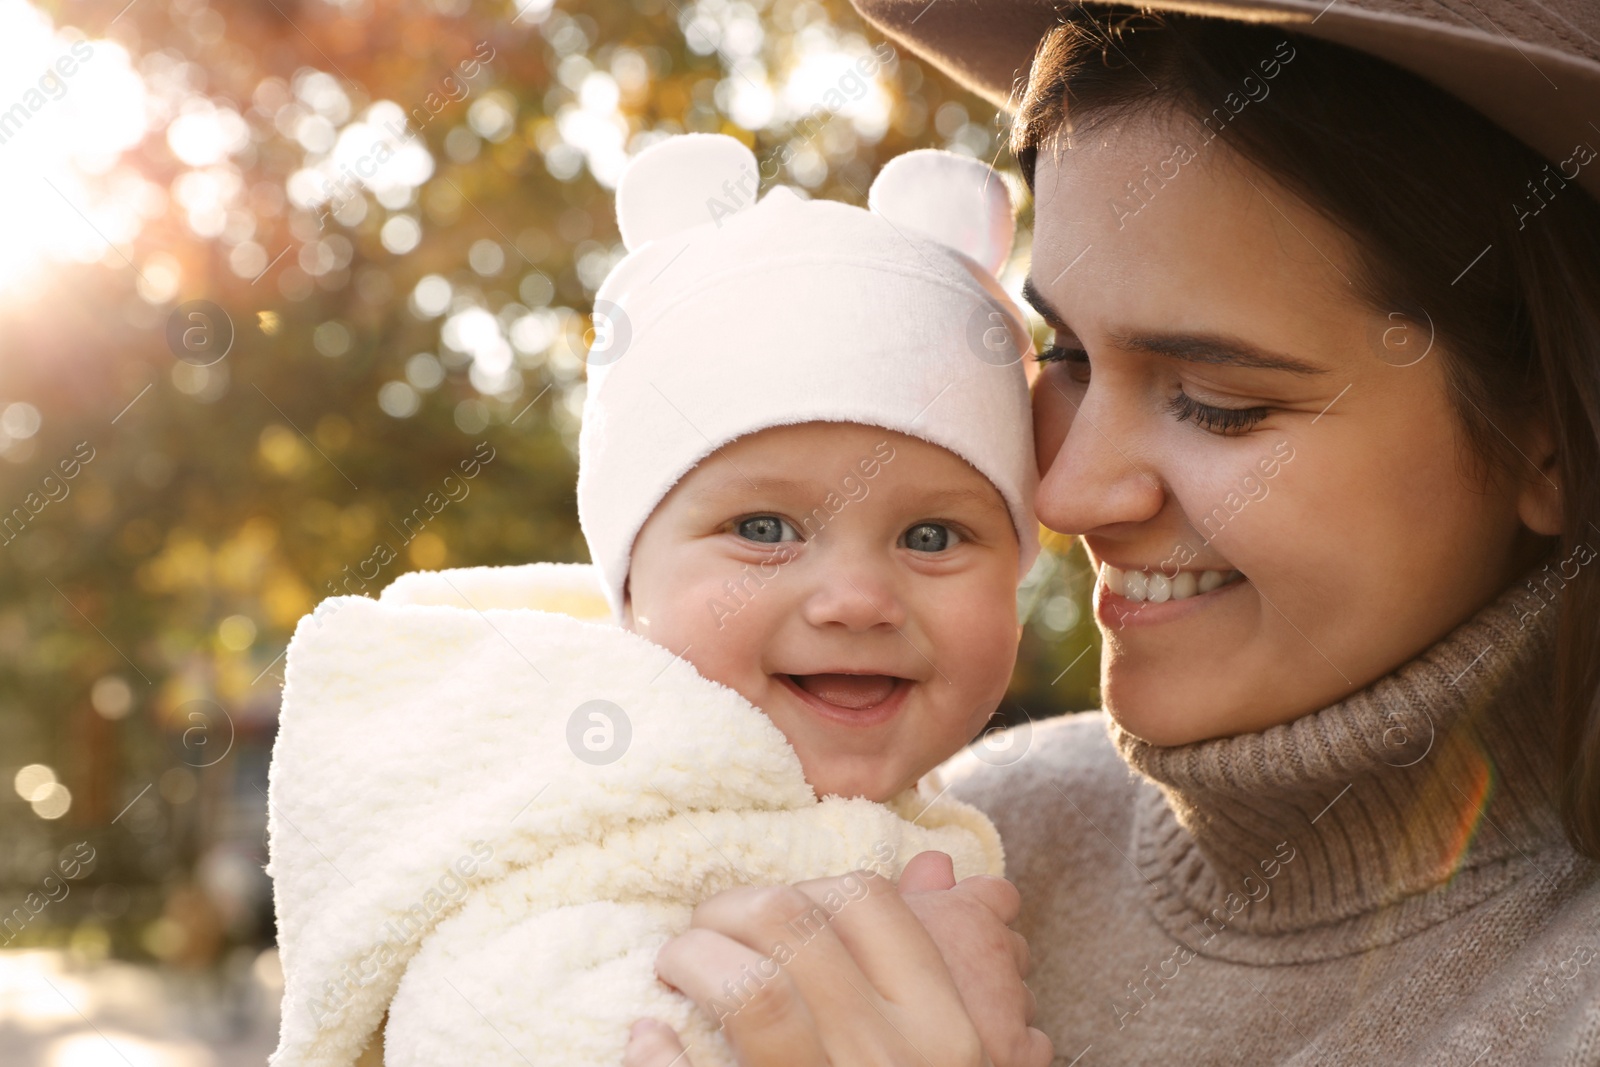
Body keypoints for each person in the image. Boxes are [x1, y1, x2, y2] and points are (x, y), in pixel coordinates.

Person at [623, 2, 1600, 1064]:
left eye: (1218, 401)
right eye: (1065, 357)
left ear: (1544, 440)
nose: (1065, 492)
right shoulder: (954, 830)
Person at [267, 132, 1051, 1067]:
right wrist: (955, 1007)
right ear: (631, 579)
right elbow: (502, 1028)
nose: (855, 599)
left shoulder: (983, 827)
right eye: (764, 529)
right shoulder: (566, 792)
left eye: (932, 536)